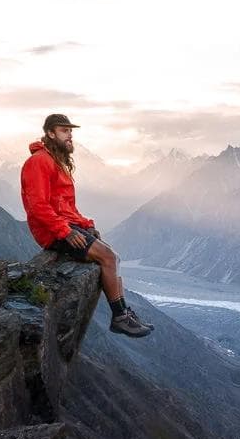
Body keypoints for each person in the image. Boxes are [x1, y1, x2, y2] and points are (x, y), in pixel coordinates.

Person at [21, 113, 153, 337]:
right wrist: (65, 231)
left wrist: (84, 224)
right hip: (52, 231)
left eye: (70, 131)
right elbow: (37, 206)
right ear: (50, 133)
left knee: (114, 257)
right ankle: (120, 317)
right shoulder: (39, 162)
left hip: (65, 225)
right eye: (64, 131)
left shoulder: (56, 161)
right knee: (108, 258)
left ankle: (124, 313)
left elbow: (64, 205)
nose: (70, 135)